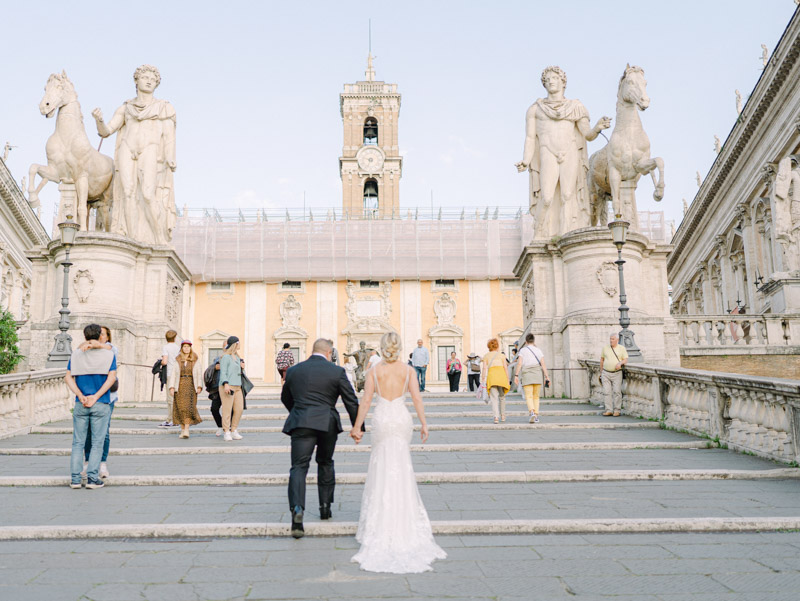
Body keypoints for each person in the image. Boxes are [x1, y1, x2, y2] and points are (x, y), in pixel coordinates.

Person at [349, 332, 446, 573]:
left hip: (382, 418)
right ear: (400, 348)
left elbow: (366, 400)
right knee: (401, 465)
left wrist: (356, 427)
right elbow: (416, 398)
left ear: (381, 349)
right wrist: (424, 423)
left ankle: (380, 521)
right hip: (401, 418)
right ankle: (404, 518)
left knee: (381, 464)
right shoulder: (409, 371)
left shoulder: (373, 372)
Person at [515, 65, 611, 237]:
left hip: (570, 151)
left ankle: (565, 234)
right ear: (544, 84)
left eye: (555, 78)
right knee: (547, 197)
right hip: (547, 151)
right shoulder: (535, 109)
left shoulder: (576, 107)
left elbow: (587, 134)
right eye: (548, 79)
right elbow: (530, 138)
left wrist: (597, 127)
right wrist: (526, 160)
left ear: (563, 82)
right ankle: (540, 233)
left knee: (568, 194)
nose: (551, 81)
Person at [281, 338, 361, 538]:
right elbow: (350, 399)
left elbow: (285, 397)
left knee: (299, 467)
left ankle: (297, 509)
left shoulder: (294, 370)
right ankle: (325, 507)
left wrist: (298, 412)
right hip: (327, 423)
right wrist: (357, 426)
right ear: (329, 352)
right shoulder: (336, 371)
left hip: (301, 422)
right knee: (325, 462)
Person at [92, 64, 177, 244]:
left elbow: (169, 136)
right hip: (127, 147)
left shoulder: (163, 107)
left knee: (147, 193)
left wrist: (170, 157)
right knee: (127, 192)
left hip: (150, 149)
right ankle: (132, 239)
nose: (149, 81)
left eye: (153, 79)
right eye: (145, 77)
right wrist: (99, 120)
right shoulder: (126, 107)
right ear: (136, 81)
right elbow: (106, 131)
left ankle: (159, 238)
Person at [65, 324, 117, 489]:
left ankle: (75, 479)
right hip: (100, 403)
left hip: (81, 403)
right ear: (100, 335)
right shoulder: (109, 355)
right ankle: (92, 479)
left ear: (85, 335)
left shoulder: (76, 354)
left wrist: (80, 395)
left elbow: (68, 378)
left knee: (78, 442)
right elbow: (111, 379)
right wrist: (96, 396)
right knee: (97, 442)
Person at [80, 325, 118, 480]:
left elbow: (108, 350)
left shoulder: (112, 349)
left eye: (103, 334)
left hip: (108, 397)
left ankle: (102, 462)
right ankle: (88, 461)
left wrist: (93, 345)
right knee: (88, 431)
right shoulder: (87, 349)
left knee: (104, 431)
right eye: (98, 334)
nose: (100, 337)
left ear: (107, 337)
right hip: (89, 395)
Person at [168, 340, 203, 439]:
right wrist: (171, 387)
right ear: (182, 348)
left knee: (188, 408)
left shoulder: (195, 359)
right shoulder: (178, 359)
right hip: (179, 385)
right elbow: (174, 373)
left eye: (188, 346)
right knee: (180, 408)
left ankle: (187, 429)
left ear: (190, 348)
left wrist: (199, 386)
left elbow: (199, 372)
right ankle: (182, 429)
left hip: (191, 385)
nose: (186, 348)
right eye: (184, 346)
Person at [514, 333, 550, 424]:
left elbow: (519, 363)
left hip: (527, 374)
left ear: (526, 342)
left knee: (528, 396)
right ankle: (536, 416)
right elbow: (543, 364)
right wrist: (547, 376)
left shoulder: (523, 350)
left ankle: (532, 412)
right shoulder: (538, 350)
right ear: (533, 341)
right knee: (536, 396)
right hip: (537, 374)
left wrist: (516, 375)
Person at [219, 336, 245, 441]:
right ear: (235, 344)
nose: (239, 345)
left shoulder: (238, 357)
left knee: (239, 408)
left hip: (238, 386)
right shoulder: (226, 357)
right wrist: (226, 384)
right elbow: (223, 372)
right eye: (238, 343)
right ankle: (226, 431)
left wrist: (242, 367)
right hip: (228, 386)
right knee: (227, 410)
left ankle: (234, 429)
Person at [482, 338, 510, 424]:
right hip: (501, 377)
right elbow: (505, 368)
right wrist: (508, 379)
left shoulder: (486, 356)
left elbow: (484, 368)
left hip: (492, 378)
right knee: (502, 397)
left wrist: (483, 378)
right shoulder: (502, 356)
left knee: (494, 398)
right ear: (497, 346)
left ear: (489, 346)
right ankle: (503, 415)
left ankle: (496, 417)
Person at [600, 333, 628, 417]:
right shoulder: (605, 348)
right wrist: (601, 371)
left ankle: (617, 410)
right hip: (606, 373)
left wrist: (620, 363)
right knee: (606, 391)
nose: (611, 340)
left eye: (612, 339)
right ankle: (608, 410)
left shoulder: (622, 348)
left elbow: (625, 359)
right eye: (610, 339)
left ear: (617, 340)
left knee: (617, 392)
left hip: (617, 373)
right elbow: (602, 360)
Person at [159, 330, 180, 428]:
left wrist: (160, 362)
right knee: (175, 396)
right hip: (177, 374)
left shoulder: (166, 347)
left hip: (170, 374)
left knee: (170, 397)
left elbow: (165, 361)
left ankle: (171, 419)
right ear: (174, 338)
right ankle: (173, 418)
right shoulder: (178, 347)